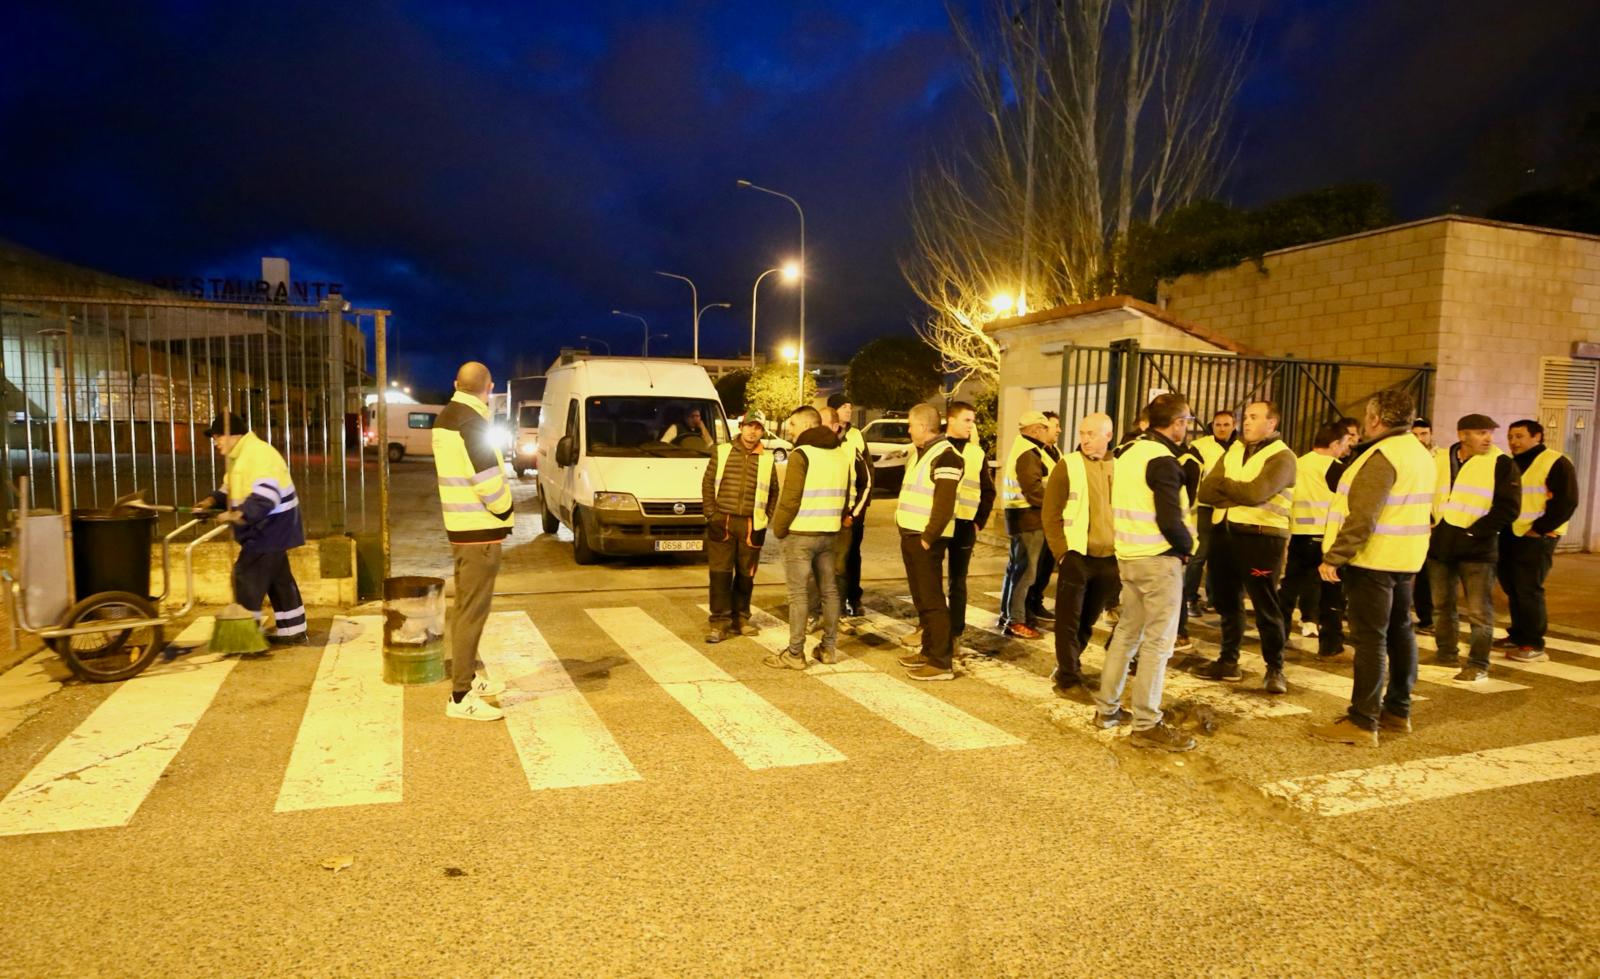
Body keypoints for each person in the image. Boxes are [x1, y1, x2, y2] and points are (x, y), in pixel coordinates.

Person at [1310, 390, 1436, 746]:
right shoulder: (1420, 452)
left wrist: (1335, 556)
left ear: (1377, 419)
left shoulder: (1383, 456)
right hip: (1406, 558)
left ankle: (1363, 721)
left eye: (1368, 414)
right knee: (1400, 632)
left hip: (1375, 559)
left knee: (1370, 640)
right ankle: (1398, 711)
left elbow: (1363, 515)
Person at [1095, 393, 1196, 751]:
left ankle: (1107, 710)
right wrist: (1188, 547)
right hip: (1158, 560)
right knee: (1157, 643)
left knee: (1127, 634)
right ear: (1177, 422)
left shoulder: (1129, 452)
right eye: (1186, 421)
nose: (1187, 427)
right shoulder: (1162, 460)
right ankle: (1146, 722)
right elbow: (1170, 518)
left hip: (1130, 557)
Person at [431, 362, 515, 721]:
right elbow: (488, 481)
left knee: (466, 607)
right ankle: (461, 695)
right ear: (489, 387)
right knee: (472, 612)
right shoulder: (472, 422)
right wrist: (505, 508)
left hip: (462, 529)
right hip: (479, 532)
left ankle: (469, 678)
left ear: (456, 384)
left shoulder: (447, 417)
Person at [1194, 401, 1297, 694]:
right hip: (1225, 534)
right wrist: (1236, 491)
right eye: (1246, 417)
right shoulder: (1234, 450)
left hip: (1261, 539)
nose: (1246, 422)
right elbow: (1206, 490)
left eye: (1253, 417)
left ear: (1271, 423)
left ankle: (1275, 668)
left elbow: (1256, 493)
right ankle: (1228, 661)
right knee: (1227, 603)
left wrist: (1229, 488)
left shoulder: (1283, 457)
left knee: (1265, 604)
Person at [194, 412, 308, 650]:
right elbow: (229, 488)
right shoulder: (240, 457)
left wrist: (236, 515)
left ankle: (246, 637)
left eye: (218, 436)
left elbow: (266, 497)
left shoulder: (259, 455)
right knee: (278, 579)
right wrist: (209, 502)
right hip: (270, 526)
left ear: (233, 435)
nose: (215, 442)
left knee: (245, 576)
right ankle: (293, 629)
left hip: (269, 527)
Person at [1426, 414, 1521, 682]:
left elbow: (1508, 507)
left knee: (1479, 610)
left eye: (1490, 432)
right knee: (1441, 604)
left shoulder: (1501, 463)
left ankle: (1478, 663)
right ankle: (1446, 653)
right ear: (1462, 435)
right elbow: (1427, 494)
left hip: (1478, 548)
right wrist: (1429, 522)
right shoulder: (1440, 459)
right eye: (1481, 433)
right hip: (1440, 544)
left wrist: (1474, 532)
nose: (1488, 438)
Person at [768, 406, 853, 669]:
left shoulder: (802, 454)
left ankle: (795, 654)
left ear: (806, 426)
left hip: (801, 534)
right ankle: (828, 648)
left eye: (792, 425)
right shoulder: (840, 454)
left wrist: (779, 529)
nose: (789, 431)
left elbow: (790, 499)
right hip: (828, 534)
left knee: (798, 595)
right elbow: (845, 493)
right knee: (829, 590)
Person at [1041, 413, 1118, 697]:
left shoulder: (1118, 467)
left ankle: (1067, 666)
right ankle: (1069, 678)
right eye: (1082, 433)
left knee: (1088, 619)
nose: (1084, 439)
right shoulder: (1068, 466)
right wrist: (1062, 553)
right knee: (1068, 620)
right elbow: (1050, 514)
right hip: (1076, 555)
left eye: (1091, 434)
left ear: (1108, 435)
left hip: (1109, 558)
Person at [894, 403, 966, 681]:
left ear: (923, 427)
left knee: (933, 600)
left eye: (911, 425)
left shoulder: (946, 456)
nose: (909, 430)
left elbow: (944, 503)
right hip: (912, 535)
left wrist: (927, 538)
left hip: (925, 539)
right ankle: (928, 651)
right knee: (922, 598)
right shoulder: (921, 454)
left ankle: (940, 661)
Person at [1498, 419, 1580, 662]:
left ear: (1537, 437)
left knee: (1528, 588)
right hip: (1511, 533)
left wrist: (1541, 529)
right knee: (1512, 587)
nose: (1513, 442)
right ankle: (1518, 634)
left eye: (1520, 436)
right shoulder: (1512, 463)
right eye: (1511, 436)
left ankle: (1534, 643)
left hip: (1537, 536)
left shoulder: (1556, 462)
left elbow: (1567, 501)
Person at [702, 410, 778, 643]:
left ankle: (741, 618)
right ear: (741, 427)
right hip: (722, 521)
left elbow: (774, 491)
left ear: (761, 431)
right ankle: (719, 622)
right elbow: (707, 483)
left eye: (757, 427)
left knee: (746, 575)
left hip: (750, 524)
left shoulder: (767, 458)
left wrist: (766, 518)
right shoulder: (722, 451)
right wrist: (711, 514)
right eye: (749, 426)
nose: (752, 431)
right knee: (720, 574)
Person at [1277, 422, 1347, 658]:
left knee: (1289, 589)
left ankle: (1278, 635)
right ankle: (1331, 645)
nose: (1346, 449)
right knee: (1331, 592)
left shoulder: (1298, 462)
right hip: (1323, 538)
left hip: (1297, 535)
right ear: (1335, 443)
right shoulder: (1335, 468)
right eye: (1345, 443)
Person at [806, 405, 871, 633]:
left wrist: (853, 515)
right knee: (815, 570)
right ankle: (814, 615)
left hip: (842, 523)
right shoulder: (810, 451)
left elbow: (866, 483)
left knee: (840, 570)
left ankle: (839, 615)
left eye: (823, 424)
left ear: (835, 426)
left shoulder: (851, 451)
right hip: (816, 521)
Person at [998, 410, 1056, 638]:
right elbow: (1033, 490)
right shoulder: (1028, 453)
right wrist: (1054, 506)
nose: (1047, 432)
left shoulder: (1025, 449)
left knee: (1016, 570)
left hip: (1021, 517)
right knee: (1026, 573)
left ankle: (1009, 614)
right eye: (1044, 428)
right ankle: (1016, 620)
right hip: (1028, 519)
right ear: (1034, 430)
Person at [943, 400, 996, 644]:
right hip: (939, 523)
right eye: (966, 420)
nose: (970, 426)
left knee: (958, 581)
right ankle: (928, 626)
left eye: (972, 421)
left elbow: (988, 490)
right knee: (931, 580)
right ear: (950, 420)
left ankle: (955, 632)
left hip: (964, 524)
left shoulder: (976, 453)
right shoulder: (937, 448)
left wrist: (978, 522)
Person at [1184, 410, 1237, 619]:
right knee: (1200, 554)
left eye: (1226, 424)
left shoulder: (1241, 446)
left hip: (1228, 507)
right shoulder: (1200, 446)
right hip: (1205, 506)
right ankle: (1190, 598)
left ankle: (1216, 599)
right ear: (1212, 425)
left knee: (1222, 555)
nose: (1222, 428)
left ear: (1234, 425)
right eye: (1218, 425)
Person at [828, 392, 873, 617]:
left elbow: (867, 471)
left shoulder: (856, 435)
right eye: (844, 406)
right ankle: (830, 601)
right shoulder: (825, 435)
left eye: (850, 406)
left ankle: (853, 598)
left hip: (853, 509)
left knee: (852, 555)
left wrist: (861, 509)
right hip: (827, 510)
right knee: (829, 558)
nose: (849, 410)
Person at [1024, 411, 1064, 624]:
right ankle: (1026, 609)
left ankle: (1036, 602)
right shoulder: (1033, 452)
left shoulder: (1055, 451)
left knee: (1046, 565)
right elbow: (1034, 488)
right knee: (1033, 567)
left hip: (1052, 517)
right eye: (1055, 425)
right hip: (1036, 517)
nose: (1058, 430)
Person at [1408, 418, 1445, 633]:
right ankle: (1425, 616)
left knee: (1431, 573)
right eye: (1415, 434)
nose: (1420, 439)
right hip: (1414, 521)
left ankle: (1430, 617)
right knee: (1419, 571)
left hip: (1436, 522)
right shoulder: (1406, 456)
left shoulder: (1441, 458)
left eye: (1424, 434)